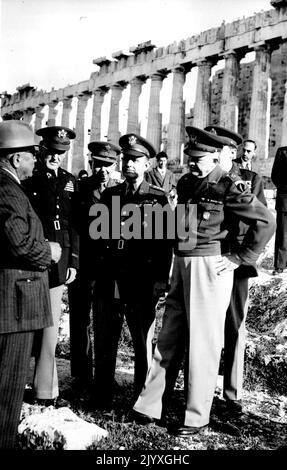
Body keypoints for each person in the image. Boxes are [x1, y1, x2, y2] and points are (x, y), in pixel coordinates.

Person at [132, 126, 275, 437]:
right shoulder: (185, 182)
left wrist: (239, 257)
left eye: (199, 159)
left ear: (215, 157)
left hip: (210, 266)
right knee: (169, 336)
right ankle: (150, 406)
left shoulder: (229, 185)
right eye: (191, 157)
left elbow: (265, 222)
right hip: (181, 263)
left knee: (203, 344)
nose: (193, 163)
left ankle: (196, 417)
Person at [91, 134, 173, 407]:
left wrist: (161, 280)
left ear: (147, 164)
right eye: (126, 159)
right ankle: (101, 393)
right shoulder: (111, 194)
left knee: (141, 341)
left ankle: (142, 398)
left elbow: (165, 245)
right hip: (110, 278)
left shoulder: (157, 198)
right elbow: (99, 238)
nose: (129, 164)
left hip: (140, 279)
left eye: (136, 160)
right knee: (104, 336)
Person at [0, 120, 61, 448]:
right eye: (30, 155)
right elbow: (19, 244)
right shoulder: (7, 190)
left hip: (11, 299)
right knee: (7, 391)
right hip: (14, 303)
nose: (36, 160)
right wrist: (49, 251)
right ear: (14, 159)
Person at [206, 128, 267, 414]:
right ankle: (202, 390)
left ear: (232, 151)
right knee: (204, 326)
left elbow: (262, 222)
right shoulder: (202, 181)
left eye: (222, 149)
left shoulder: (251, 180)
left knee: (234, 326)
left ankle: (231, 393)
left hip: (235, 264)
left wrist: (242, 256)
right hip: (207, 261)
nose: (216, 153)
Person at [23, 125, 79, 406]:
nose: (56, 157)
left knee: (50, 328)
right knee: (26, 325)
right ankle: (20, 379)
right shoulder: (28, 180)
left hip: (60, 262)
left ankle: (45, 390)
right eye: (52, 152)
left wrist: (74, 262)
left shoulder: (70, 181)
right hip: (34, 258)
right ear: (42, 148)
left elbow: (74, 225)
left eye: (61, 153)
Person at [68, 141, 122, 390]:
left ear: (115, 166)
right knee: (80, 320)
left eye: (108, 165)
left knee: (106, 322)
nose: (103, 170)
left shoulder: (122, 192)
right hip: (85, 264)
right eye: (99, 164)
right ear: (91, 164)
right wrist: (74, 262)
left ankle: (104, 376)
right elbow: (74, 230)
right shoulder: (79, 190)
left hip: (109, 268)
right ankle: (81, 375)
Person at [271, 145, 287, 274]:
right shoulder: (283, 152)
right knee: (283, 234)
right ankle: (280, 265)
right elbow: (275, 175)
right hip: (285, 199)